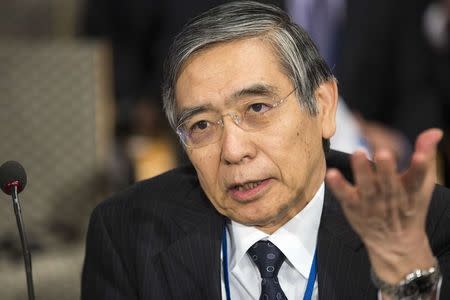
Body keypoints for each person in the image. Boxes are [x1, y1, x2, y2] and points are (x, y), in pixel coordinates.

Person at [81, 1, 450, 299]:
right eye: (202, 126)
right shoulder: (126, 232)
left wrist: (406, 287)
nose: (234, 151)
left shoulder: (429, 227)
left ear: (322, 106)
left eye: (257, 108)